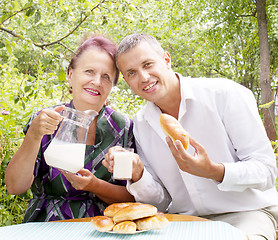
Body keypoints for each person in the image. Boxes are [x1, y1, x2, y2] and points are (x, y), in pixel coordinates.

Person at [103, 33, 278, 240]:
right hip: (182, 223)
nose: (143, 77)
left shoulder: (225, 94)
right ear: (126, 81)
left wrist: (214, 171)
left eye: (148, 64)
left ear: (166, 60)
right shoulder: (141, 124)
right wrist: (139, 174)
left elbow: (266, 171)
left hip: (247, 213)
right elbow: (161, 202)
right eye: (132, 73)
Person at [5, 33, 135, 222]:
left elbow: (132, 197)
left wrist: (95, 186)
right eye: (89, 71)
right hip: (47, 225)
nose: (97, 81)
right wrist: (34, 134)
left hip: (104, 226)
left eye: (106, 76)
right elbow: (15, 187)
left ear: (112, 85)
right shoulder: (46, 119)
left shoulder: (122, 128)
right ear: (71, 74)